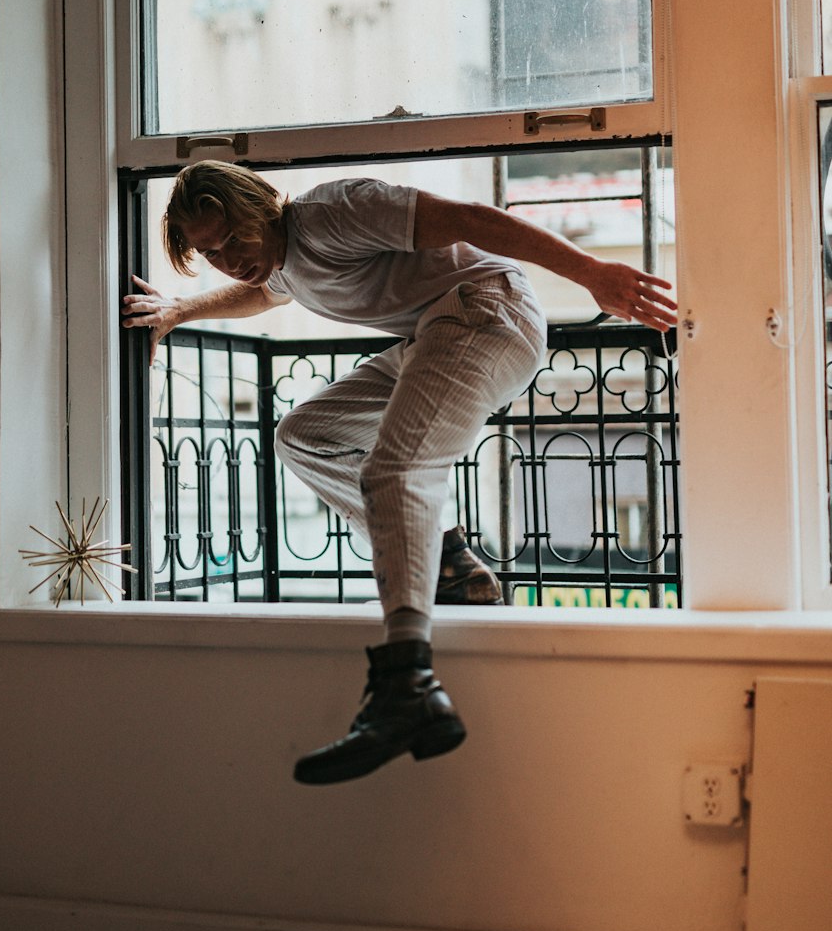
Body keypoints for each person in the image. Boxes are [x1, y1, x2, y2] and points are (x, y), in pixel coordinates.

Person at [121, 162, 677, 787]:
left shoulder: (333, 213)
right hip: (436, 333)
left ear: (258, 206)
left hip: (488, 312)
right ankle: (448, 562)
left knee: (395, 468)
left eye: (233, 239)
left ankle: (406, 677)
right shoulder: (283, 265)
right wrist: (180, 309)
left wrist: (592, 274)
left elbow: (472, 220)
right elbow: (266, 291)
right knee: (304, 438)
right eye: (210, 253)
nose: (229, 259)